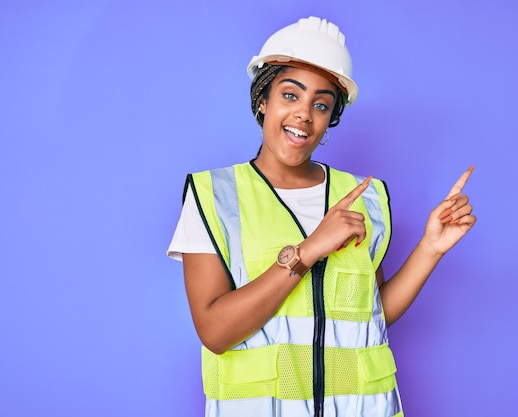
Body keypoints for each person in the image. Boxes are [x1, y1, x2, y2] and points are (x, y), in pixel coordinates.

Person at [167, 16, 476, 417]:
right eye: (290, 96)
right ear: (263, 100)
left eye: (320, 104)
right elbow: (215, 331)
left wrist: (430, 250)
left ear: (331, 118)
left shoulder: (366, 196)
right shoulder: (214, 195)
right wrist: (309, 249)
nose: (303, 115)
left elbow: (371, 315)